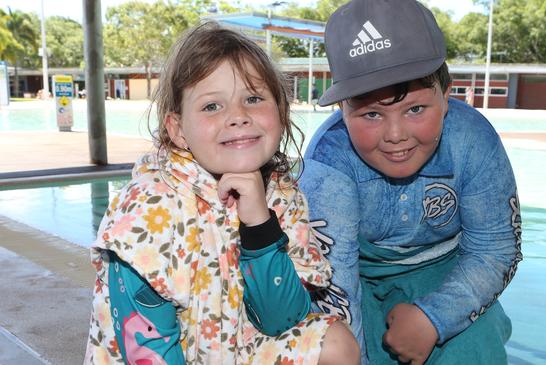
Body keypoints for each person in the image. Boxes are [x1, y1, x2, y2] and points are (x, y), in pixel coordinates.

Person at [84, 22, 359, 365]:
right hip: (166, 356)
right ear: (178, 129)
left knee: (335, 344)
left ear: (282, 112)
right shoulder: (148, 207)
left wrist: (259, 225)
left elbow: (280, 320)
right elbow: (146, 346)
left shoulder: (281, 193)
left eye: (254, 98)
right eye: (212, 106)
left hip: (237, 348)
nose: (238, 116)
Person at [300, 0, 522, 364]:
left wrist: (433, 318)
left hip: (451, 272)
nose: (395, 135)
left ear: (447, 94)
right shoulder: (329, 160)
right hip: (356, 278)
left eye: (415, 109)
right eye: (372, 113)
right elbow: (334, 281)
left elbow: (495, 249)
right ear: (342, 111)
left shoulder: (473, 140)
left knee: (476, 345)